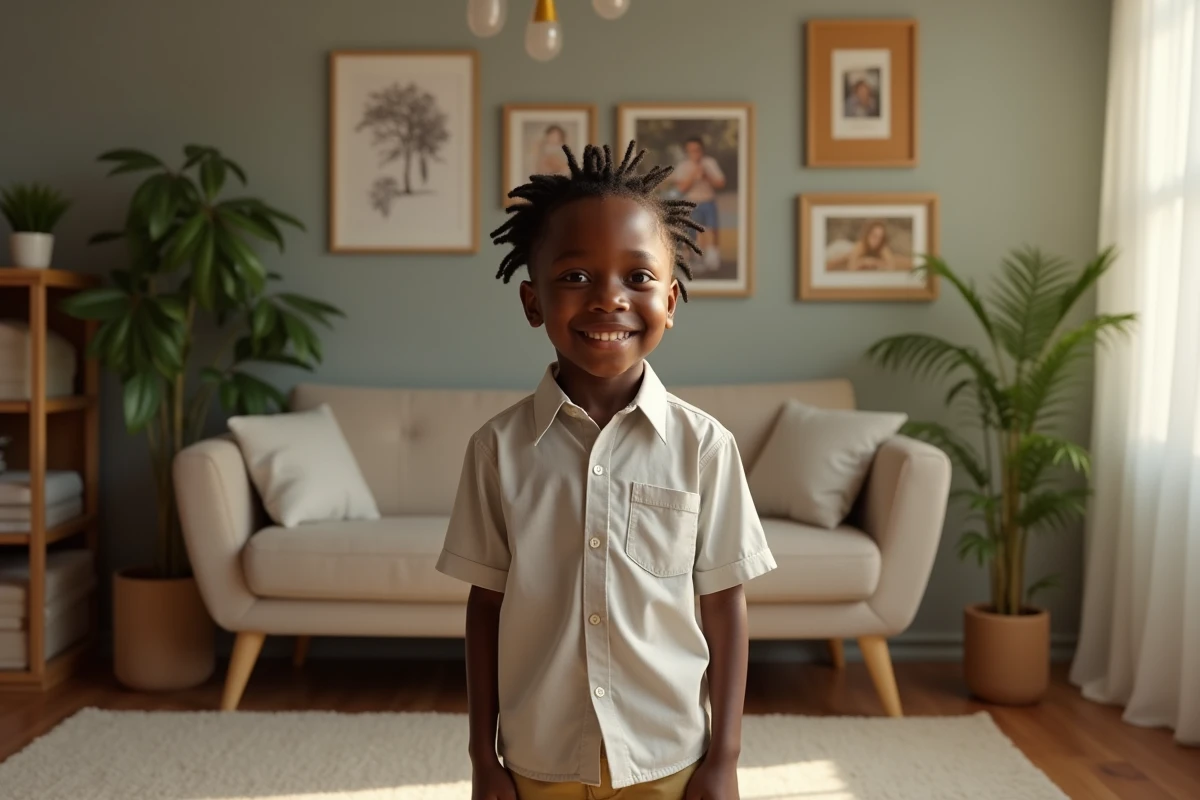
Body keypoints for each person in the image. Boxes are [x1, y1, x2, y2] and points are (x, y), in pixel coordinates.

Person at [436, 142, 776, 800]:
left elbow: (725, 608)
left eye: (637, 278)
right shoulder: (496, 450)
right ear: (533, 302)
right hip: (538, 759)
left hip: (666, 758)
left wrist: (724, 759)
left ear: (671, 300)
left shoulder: (706, 448)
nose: (608, 299)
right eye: (576, 277)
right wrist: (483, 757)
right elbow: (486, 608)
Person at [671, 137, 725, 273]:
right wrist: (694, 175)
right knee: (690, 233)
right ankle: (690, 262)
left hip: (708, 202)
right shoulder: (683, 166)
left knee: (712, 230)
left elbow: (720, 183)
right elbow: (681, 189)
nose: (695, 153)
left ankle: (712, 260)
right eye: (691, 151)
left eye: (697, 150)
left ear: (702, 150)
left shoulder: (710, 163)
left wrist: (706, 175)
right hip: (691, 203)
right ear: (687, 152)